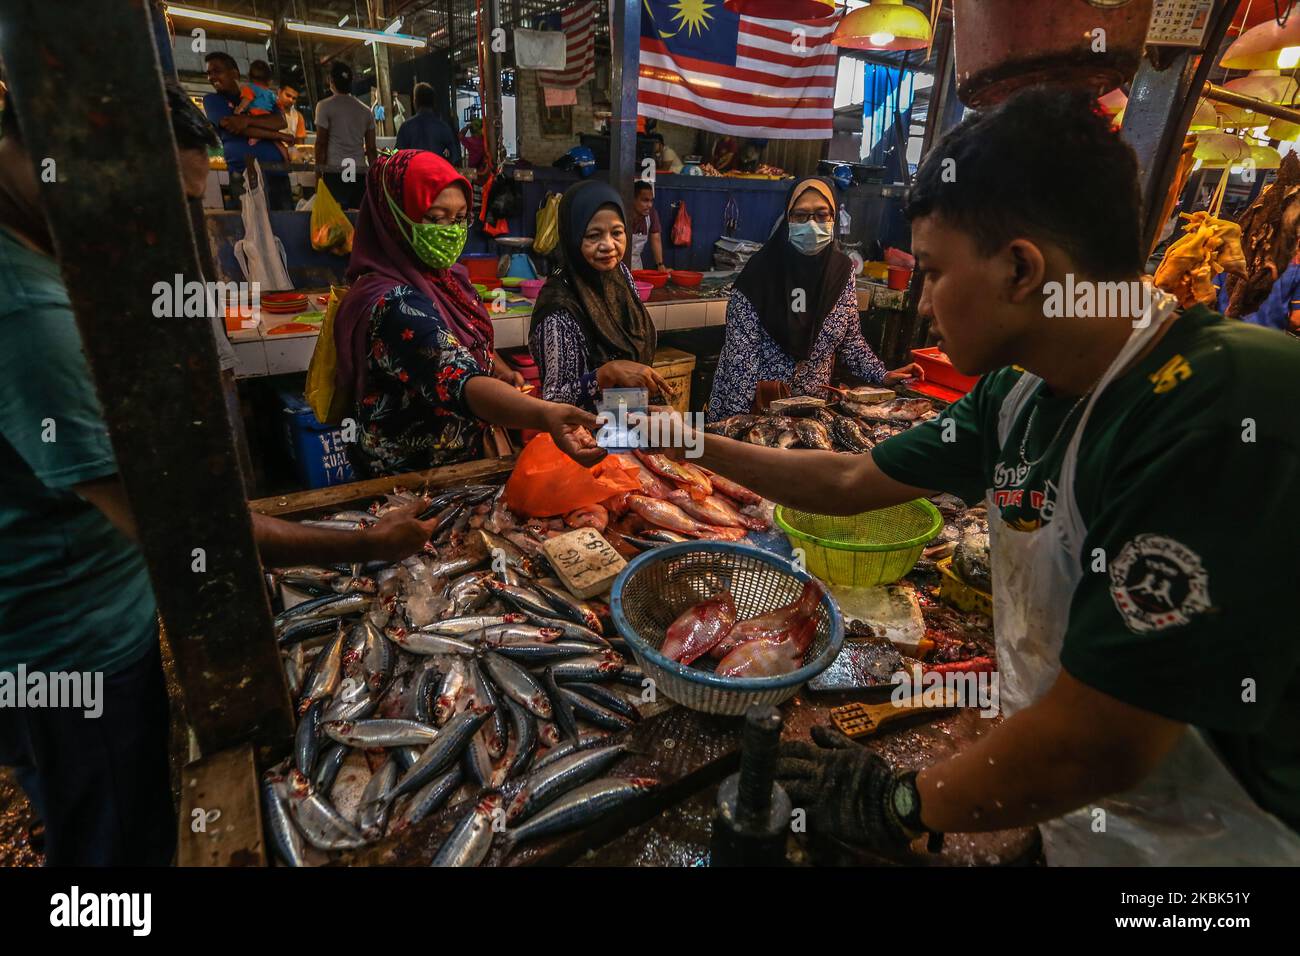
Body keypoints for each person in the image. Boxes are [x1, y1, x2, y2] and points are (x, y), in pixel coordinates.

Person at [649, 87, 1300, 864]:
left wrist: (901, 800)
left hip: (1215, 854)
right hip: (1073, 818)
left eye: (931, 271)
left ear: (1021, 268)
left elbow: (1105, 740)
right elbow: (852, 483)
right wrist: (677, 440)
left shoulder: (1222, 409)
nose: (921, 304)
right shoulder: (1018, 389)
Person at [0, 90, 438, 867]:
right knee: (111, 848)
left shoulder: (40, 251)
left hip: (83, 622)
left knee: (93, 813)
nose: (167, 235)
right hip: (68, 650)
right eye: (163, 201)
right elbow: (189, 531)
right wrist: (370, 543)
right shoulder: (27, 315)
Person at [334, 149, 602, 477]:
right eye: (435, 218)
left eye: (460, 218)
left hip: (458, 464)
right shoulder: (393, 304)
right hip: (409, 481)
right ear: (392, 217)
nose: (450, 230)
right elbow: (458, 378)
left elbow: (469, 347)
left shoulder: (449, 280)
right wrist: (545, 415)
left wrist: (497, 369)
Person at [707, 176, 921, 421]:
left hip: (811, 416)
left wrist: (883, 375)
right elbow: (740, 364)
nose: (811, 225)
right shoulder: (758, 276)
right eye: (801, 215)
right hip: (757, 411)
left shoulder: (842, 273)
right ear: (787, 220)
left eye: (821, 215)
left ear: (834, 218)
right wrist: (738, 429)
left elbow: (850, 342)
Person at [528, 180, 670, 412]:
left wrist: (653, 414)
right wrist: (605, 374)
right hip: (580, 440)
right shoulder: (560, 306)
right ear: (573, 237)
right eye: (594, 235)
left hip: (626, 425)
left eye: (617, 233)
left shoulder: (620, 276)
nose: (608, 245)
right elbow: (552, 401)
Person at [203, 51, 294, 210]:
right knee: (249, 229)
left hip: (276, 172)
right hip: (242, 174)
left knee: (285, 225)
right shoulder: (212, 100)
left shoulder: (259, 96)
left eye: (217, 71)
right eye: (209, 73)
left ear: (234, 73)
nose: (211, 77)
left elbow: (279, 121)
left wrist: (247, 120)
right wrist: (278, 135)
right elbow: (235, 128)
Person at [314, 61, 377, 210]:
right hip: (358, 171)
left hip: (336, 171)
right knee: (357, 216)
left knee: (337, 220)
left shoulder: (324, 106)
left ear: (331, 80)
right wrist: (375, 179)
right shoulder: (366, 111)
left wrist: (318, 175)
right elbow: (371, 149)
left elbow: (321, 144)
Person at [395, 82, 461, 165]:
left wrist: (388, 154)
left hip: (414, 175)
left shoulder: (406, 127)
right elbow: (455, 155)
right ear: (433, 102)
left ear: (415, 102)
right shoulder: (443, 127)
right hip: (437, 174)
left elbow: (396, 153)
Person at [626, 180, 666, 272]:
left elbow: (656, 239)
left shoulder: (651, 214)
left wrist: (660, 264)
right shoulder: (622, 213)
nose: (649, 205)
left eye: (651, 201)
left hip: (636, 265)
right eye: (645, 200)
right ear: (633, 199)